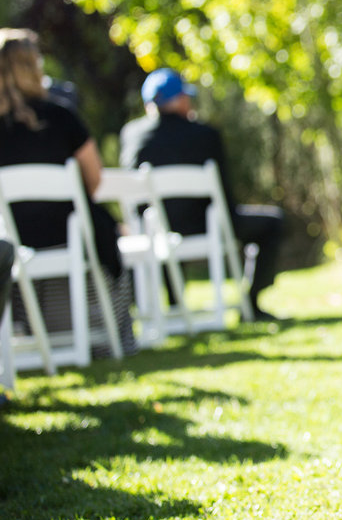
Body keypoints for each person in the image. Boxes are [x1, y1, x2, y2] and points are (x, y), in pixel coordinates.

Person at [0, 28, 136, 356]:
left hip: (13, 238)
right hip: (69, 231)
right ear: (34, 66)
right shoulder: (60, 117)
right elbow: (94, 179)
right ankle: (112, 336)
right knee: (102, 225)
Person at [120, 69, 285, 320]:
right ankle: (251, 302)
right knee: (272, 222)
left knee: (167, 220)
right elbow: (223, 194)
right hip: (203, 225)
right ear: (182, 100)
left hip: (153, 229)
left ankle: (175, 303)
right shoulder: (205, 134)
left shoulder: (131, 135)